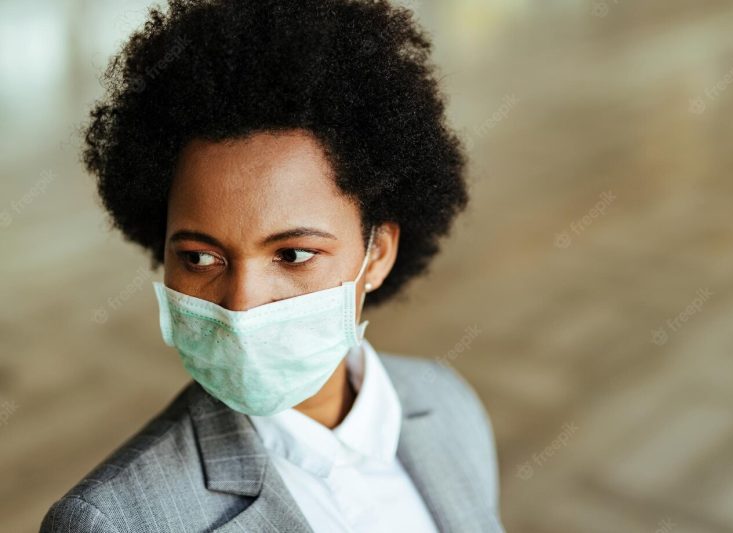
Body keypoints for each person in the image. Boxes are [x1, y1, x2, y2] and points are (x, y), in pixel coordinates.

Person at [41, 0, 503, 531]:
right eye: (199, 257)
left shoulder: (448, 406)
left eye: (293, 254)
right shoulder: (111, 522)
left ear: (377, 253)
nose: (241, 304)